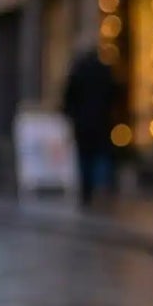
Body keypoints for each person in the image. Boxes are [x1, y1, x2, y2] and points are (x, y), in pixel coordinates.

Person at [61, 36, 116, 206]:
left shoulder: (78, 70)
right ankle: (103, 188)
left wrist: (70, 114)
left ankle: (87, 191)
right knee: (100, 155)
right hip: (101, 120)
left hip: (83, 122)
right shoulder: (104, 70)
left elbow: (68, 96)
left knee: (85, 157)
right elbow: (113, 94)